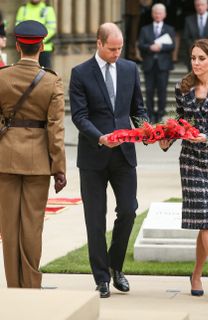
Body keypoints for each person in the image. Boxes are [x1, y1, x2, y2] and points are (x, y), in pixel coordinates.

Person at [69, 22, 148, 298]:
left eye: (120, 48)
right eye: (112, 49)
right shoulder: (79, 73)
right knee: (95, 220)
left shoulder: (129, 69)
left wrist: (148, 128)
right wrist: (100, 137)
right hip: (93, 155)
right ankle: (101, 278)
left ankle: (116, 267)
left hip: (125, 154)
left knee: (128, 210)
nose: (117, 53)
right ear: (99, 44)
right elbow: (79, 116)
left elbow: (138, 108)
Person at [160, 39, 208, 299]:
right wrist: (165, 137)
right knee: (207, 219)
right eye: (193, 58)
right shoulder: (182, 87)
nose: (196, 63)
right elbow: (180, 122)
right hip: (191, 161)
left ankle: (196, 275)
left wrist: (207, 137)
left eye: (201, 58)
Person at [0, 20, 66, 288]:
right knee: (32, 226)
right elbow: (56, 130)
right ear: (41, 46)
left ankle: (14, 286)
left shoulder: (2, 77)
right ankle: (31, 285)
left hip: (5, 158)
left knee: (8, 227)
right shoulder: (51, 81)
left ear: (17, 46)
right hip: (38, 162)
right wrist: (59, 168)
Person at [138, 3, 175, 123]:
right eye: (156, 12)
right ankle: (150, 113)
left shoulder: (170, 29)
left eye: (160, 13)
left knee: (162, 90)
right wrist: (150, 47)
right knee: (149, 91)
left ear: (164, 15)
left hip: (163, 65)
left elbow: (172, 45)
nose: (158, 15)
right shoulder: (145, 29)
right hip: (149, 64)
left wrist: (161, 47)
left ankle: (160, 113)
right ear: (152, 14)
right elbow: (141, 45)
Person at [16, 0, 57, 68]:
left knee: (45, 73)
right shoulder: (23, 9)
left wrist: (37, 41)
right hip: (25, 47)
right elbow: (18, 28)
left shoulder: (48, 9)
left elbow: (51, 29)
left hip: (44, 48)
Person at [183, 0, 208, 70]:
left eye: (202, 5)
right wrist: (196, 48)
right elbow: (186, 38)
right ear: (195, 6)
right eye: (197, 5)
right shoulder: (189, 20)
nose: (200, 7)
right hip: (193, 57)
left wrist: (205, 48)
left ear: (207, 6)